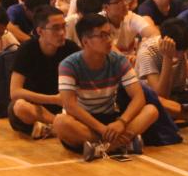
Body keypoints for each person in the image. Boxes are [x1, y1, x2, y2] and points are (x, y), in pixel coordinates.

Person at [53, 13, 158, 157]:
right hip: (83, 121)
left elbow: (138, 97)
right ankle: (120, 144)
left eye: (109, 34)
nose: (109, 40)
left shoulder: (118, 60)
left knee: (151, 110)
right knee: (60, 122)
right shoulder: (68, 65)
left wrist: (122, 122)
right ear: (85, 41)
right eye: (102, 36)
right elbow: (69, 105)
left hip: (110, 119)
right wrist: (102, 130)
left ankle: (99, 147)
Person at [9, 6, 80, 139]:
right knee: (20, 107)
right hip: (35, 106)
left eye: (63, 27)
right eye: (55, 28)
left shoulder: (70, 48)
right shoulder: (27, 49)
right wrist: (54, 99)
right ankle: (60, 126)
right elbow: (15, 92)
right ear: (40, 31)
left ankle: (50, 129)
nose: (62, 33)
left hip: (63, 108)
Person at [135, 17, 188, 119]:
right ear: (163, 41)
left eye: (183, 51)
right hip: (156, 100)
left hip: (181, 94)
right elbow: (161, 95)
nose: (180, 55)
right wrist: (167, 58)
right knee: (160, 106)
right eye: (177, 51)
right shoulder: (147, 52)